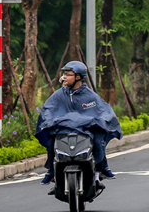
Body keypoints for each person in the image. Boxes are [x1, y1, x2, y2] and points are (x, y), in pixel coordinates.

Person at [36, 61, 123, 191]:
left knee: (98, 141)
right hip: (64, 130)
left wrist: (101, 120)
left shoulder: (90, 96)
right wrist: (49, 120)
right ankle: (52, 171)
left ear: (78, 77)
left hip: (86, 130)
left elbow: (103, 111)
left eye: (68, 74)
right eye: (64, 74)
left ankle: (99, 172)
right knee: (52, 141)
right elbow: (48, 109)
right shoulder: (59, 94)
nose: (64, 77)